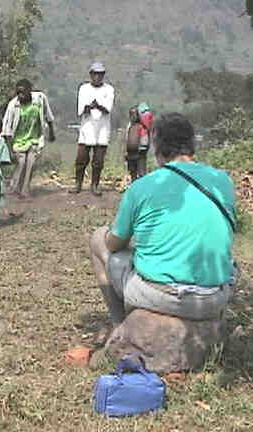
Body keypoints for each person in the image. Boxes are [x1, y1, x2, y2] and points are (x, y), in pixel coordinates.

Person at [89, 113, 237, 336]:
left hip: (160, 296)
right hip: (213, 297)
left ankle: (119, 325)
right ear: (191, 145)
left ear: (157, 149)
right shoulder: (222, 181)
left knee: (98, 238)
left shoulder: (142, 187)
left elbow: (113, 244)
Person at [1, 79, 56, 198]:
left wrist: (51, 132)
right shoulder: (13, 105)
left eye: (23, 92)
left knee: (31, 162)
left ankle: (25, 189)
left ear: (29, 91)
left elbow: (48, 116)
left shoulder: (40, 99)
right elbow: (7, 129)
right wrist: (10, 150)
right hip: (18, 140)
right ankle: (15, 187)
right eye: (18, 93)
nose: (20, 95)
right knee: (21, 162)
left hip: (34, 138)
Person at [71, 61, 115, 196]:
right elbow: (81, 109)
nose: (97, 77)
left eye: (100, 74)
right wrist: (90, 106)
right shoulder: (84, 88)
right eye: (95, 74)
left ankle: (94, 185)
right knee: (81, 158)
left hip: (102, 129)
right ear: (91, 74)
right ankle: (78, 184)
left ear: (103, 75)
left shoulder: (109, 89)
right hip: (87, 127)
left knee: (98, 160)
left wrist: (98, 105)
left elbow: (108, 109)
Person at [124, 104, 152, 182]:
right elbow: (127, 139)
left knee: (141, 171)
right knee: (132, 171)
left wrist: (143, 148)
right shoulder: (130, 126)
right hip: (130, 152)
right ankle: (134, 185)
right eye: (131, 115)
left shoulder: (142, 127)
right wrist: (125, 151)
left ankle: (142, 187)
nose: (132, 117)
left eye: (134, 114)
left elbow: (145, 140)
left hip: (140, 153)